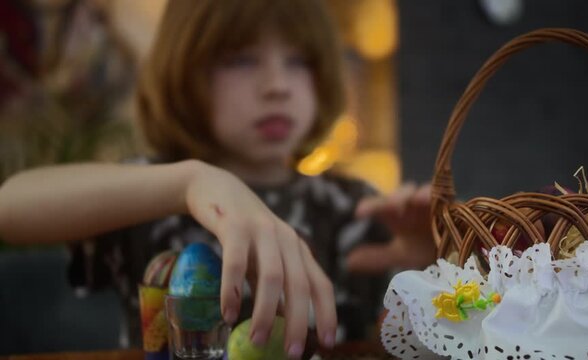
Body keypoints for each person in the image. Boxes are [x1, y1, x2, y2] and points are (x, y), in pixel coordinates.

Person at [0, 0, 435, 358]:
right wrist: (188, 183)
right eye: (241, 59)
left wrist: (421, 268)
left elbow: (398, 342)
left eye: (298, 61)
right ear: (186, 72)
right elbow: (11, 207)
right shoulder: (154, 194)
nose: (277, 85)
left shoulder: (352, 205)